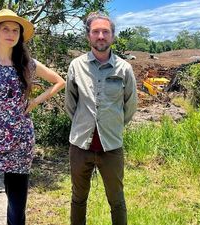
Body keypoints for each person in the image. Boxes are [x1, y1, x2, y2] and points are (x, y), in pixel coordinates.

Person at [0, 9, 65, 225]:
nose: (11, 33)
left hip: (21, 143)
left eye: (15, 30)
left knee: (16, 210)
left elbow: (59, 81)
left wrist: (34, 102)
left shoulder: (27, 64)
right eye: (5, 28)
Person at [65, 11, 137, 225]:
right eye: (96, 31)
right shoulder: (76, 66)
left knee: (117, 201)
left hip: (111, 147)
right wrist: (83, 124)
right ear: (89, 36)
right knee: (78, 199)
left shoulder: (124, 69)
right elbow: (71, 104)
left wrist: (111, 126)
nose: (101, 36)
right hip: (80, 146)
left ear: (112, 36)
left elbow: (130, 106)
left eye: (105, 31)